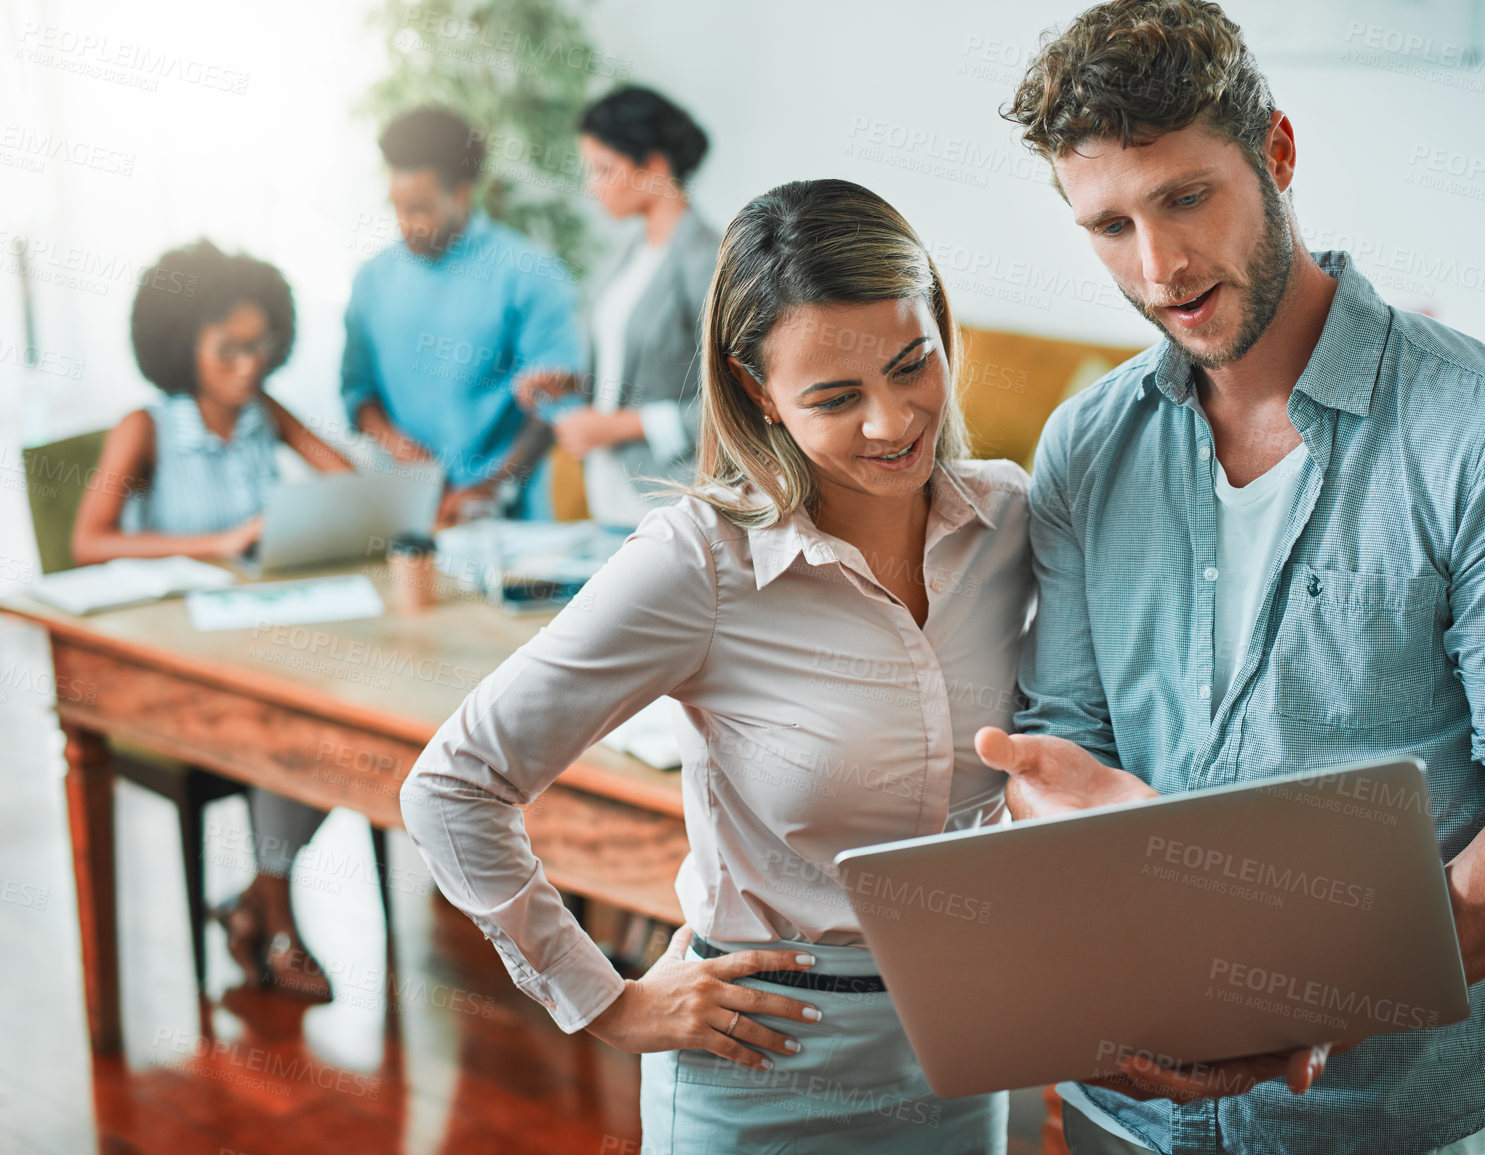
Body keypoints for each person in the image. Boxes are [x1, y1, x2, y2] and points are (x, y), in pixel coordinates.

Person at [971, 3, 1485, 1154]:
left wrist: (1298, 1003)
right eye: (1111, 225)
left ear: (1277, 153)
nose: (1161, 268)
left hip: (1378, 1114)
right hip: (1119, 1101)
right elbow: (1065, 737)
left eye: (1188, 197)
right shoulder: (1086, 445)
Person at [402, 179, 1031, 1154]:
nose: (892, 420)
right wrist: (601, 1000)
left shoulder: (1014, 523)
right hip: (762, 1069)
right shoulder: (699, 562)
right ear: (755, 389)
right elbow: (451, 786)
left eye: (913, 364)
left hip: (961, 1051)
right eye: (834, 396)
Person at [71, 240, 354, 1000]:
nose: (248, 366)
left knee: (340, 721)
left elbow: (351, 487)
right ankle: (277, 911)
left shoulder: (267, 413)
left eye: (261, 346)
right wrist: (220, 542)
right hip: (184, 663)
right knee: (295, 723)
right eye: (227, 349)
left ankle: (256, 899)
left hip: (263, 640)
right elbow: (88, 542)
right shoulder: (148, 427)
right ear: (180, 345)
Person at [341, 105, 583, 523]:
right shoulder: (372, 279)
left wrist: (488, 490)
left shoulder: (531, 274)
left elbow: (552, 411)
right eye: (396, 205)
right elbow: (357, 391)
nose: (405, 224)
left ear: (462, 194)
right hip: (404, 514)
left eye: (419, 208)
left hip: (510, 522)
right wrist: (406, 458)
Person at [515, 85, 721, 528]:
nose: (593, 187)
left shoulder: (708, 260)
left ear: (654, 165)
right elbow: (632, 369)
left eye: (604, 170)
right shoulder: (630, 254)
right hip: (610, 498)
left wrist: (618, 426)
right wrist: (573, 383)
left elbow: (739, 405)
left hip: (672, 501)